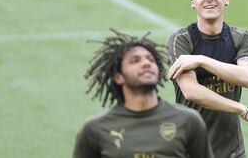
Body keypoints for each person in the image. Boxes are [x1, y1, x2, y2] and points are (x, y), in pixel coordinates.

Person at [167, 0, 248, 158]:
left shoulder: (242, 38)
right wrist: (242, 110)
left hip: (233, 153)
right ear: (193, 2)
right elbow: (191, 91)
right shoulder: (181, 40)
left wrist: (200, 60)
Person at [73, 29, 214, 158]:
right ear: (118, 77)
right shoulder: (95, 129)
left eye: (151, 59)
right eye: (135, 61)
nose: (146, 63)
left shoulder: (189, 121)